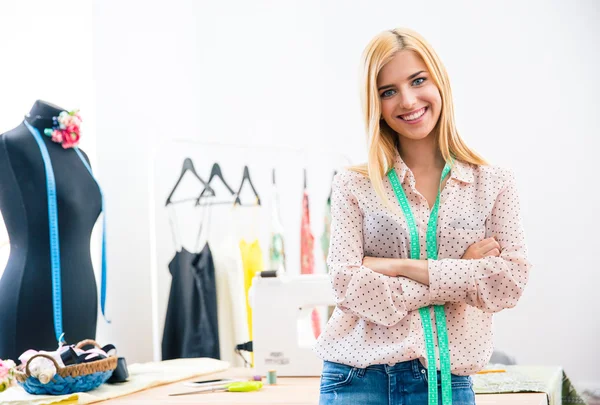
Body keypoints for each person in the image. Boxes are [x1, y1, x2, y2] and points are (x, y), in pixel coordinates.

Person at [314, 27, 532, 405]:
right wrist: (458, 272)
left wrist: (396, 266)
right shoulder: (353, 185)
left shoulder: (493, 183)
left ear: (440, 82)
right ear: (374, 103)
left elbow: (508, 282)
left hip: (446, 380)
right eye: (388, 91)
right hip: (357, 378)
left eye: (418, 80)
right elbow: (346, 284)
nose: (408, 100)